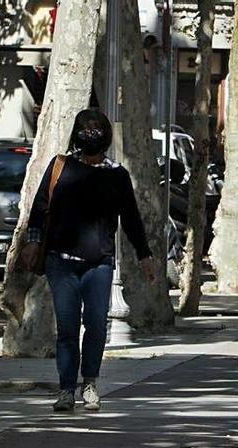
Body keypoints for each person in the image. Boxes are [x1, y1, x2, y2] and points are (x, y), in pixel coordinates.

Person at [20, 109, 156, 413]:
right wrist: (31, 243)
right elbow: (40, 207)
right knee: (67, 328)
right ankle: (67, 389)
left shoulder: (117, 175)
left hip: (99, 264)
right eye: (85, 130)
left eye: (96, 130)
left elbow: (131, 219)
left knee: (96, 324)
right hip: (61, 262)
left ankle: (90, 383)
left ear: (105, 135)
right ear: (77, 134)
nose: (90, 135)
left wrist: (145, 255)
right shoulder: (60, 167)